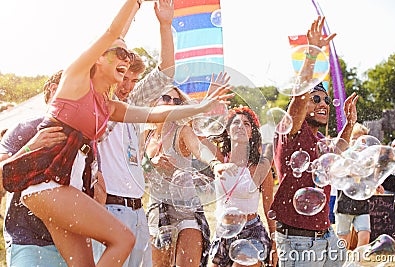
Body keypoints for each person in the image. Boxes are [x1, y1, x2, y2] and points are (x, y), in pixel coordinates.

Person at [0, 0, 231, 266]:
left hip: (70, 186)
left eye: (129, 57)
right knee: (122, 239)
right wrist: (135, 3)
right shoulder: (75, 80)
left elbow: (155, 114)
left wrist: (200, 106)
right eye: (120, 53)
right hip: (50, 182)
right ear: (98, 55)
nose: (127, 59)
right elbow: (112, 32)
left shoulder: (109, 106)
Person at [92, 0, 175, 266]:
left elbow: (166, 73)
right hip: (108, 209)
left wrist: (165, 25)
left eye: (133, 81)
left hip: (138, 209)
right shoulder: (99, 103)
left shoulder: (134, 104)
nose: (127, 86)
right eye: (123, 77)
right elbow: (110, 39)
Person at [270, 16, 358, 266]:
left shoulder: (320, 139)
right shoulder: (290, 131)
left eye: (326, 101)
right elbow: (298, 98)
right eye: (316, 99)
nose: (323, 104)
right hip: (298, 239)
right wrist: (313, 54)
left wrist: (349, 125)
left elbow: (338, 152)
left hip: (326, 235)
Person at [145, 83, 231, 267]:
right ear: (154, 101)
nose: (171, 103)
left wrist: (215, 164)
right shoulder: (146, 135)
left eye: (176, 101)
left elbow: (199, 149)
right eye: (166, 98)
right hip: (157, 209)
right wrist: (150, 163)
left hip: (186, 210)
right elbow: (135, 166)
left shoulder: (182, 130)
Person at [0, 71, 70, 266]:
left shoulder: (82, 134)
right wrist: (31, 147)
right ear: (55, 90)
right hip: (27, 241)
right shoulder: (23, 129)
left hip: (70, 243)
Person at [207, 106, 273, 267]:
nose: (241, 126)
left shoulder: (260, 165)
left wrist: (276, 242)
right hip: (223, 232)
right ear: (228, 131)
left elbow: (269, 207)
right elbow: (199, 137)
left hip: (252, 232)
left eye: (246, 124)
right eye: (235, 122)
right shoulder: (219, 159)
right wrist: (210, 105)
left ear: (252, 133)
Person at [334, 123, 379, 249]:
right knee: (343, 241)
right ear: (349, 141)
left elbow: (370, 181)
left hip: (362, 205)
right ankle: (341, 262)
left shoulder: (368, 161)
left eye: (363, 140)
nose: (360, 143)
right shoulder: (343, 158)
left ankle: (357, 263)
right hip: (344, 205)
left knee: (365, 236)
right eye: (355, 139)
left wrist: (376, 186)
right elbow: (338, 173)